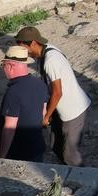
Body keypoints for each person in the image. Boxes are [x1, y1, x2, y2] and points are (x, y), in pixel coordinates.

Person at [15, 25, 90, 167]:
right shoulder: (47, 49)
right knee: (56, 144)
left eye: (23, 48)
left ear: (33, 43)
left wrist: (46, 117)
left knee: (70, 155)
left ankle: (80, 176)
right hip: (61, 108)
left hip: (73, 111)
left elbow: (57, 92)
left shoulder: (50, 61)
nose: (24, 53)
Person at [0, 45, 48, 162]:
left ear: (10, 66)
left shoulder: (13, 92)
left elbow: (9, 127)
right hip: (37, 146)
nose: (3, 69)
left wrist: (2, 157)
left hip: (19, 152)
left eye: (3, 65)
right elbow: (43, 112)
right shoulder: (40, 84)